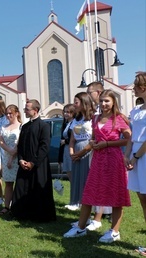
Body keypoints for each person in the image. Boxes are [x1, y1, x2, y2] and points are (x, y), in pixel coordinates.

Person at [64, 90, 131, 243]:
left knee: (116, 195)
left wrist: (108, 143)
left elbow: (128, 139)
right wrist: (93, 143)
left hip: (114, 159)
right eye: (101, 101)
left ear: (113, 102)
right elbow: (94, 138)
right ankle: (80, 228)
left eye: (107, 101)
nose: (103, 104)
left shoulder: (118, 118)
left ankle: (114, 231)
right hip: (98, 159)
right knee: (89, 191)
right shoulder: (95, 119)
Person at [11, 99, 56, 222]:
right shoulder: (25, 126)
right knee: (21, 187)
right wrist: (21, 160)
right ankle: (20, 213)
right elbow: (20, 146)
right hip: (24, 163)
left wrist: (33, 162)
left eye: (27, 109)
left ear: (35, 111)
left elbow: (45, 146)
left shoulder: (44, 126)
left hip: (38, 165)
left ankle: (38, 216)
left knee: (38, 190)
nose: (24, 111)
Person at [83, 81, 111, 230]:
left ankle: (98, 218)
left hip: (108, 153)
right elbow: (95, 134)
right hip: (97, 151)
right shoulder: (95, 113)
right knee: (95, 184)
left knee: (103, 184)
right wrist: (93, 141)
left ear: (98, 93)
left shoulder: (109, 112)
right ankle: (95, 215)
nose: (88, 95)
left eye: (90, 92)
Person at [125, 73, 146, 254]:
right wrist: (127, 155)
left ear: (143, 88)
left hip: (143, 155)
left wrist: (136, 157)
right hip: (135, 154)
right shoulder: (136, 110)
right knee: (142, 197)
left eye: (136, 86)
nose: (133, 89)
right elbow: (131, 135)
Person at [66, 92, 95, 211]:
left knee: (88, 179)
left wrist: (80, 153)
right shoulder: (76, 120)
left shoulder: (93, 117)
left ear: (84, 102)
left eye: (76, 102)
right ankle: (81, 207)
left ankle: (93, 210)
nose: (74, 104)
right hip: (76, 152)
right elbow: (72, 139)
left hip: (88, 152)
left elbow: (94, 139)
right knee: (78, 180)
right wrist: (72, 153)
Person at [0, 104, 21, 214]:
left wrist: (13, 155)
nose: (8, 115)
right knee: (8, 183)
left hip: (17, 157)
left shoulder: (21, 126)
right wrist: (9, 151)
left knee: (18, 182)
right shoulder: (3, 127)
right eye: (7, 113)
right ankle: (6, 206)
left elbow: (19, 142)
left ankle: (17, 205)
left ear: (16, 113)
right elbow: (1, 142)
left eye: (10, 113)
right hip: (6, 156)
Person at [60, 104, 75, 185]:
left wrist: (65, 141)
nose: (65, 114)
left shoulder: (74, 123)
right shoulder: (65, 123)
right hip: (65, 151)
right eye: (64, 112)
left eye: (68, 112)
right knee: (69, 173)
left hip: (72, 149)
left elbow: (75, 137)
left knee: (73, 173)